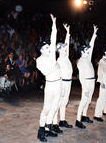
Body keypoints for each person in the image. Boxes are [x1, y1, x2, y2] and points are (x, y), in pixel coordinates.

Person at [36, 14, 61, 142]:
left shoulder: (52, 56)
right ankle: (41, 130)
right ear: (41, 50)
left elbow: (54, 37)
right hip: (50, 85)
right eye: (46, 48)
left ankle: (48, 128)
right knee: (46, 108)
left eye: (49, 47)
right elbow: (46, 72)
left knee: (55, 107)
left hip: (58, 84)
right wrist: (55, 65)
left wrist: (54, 24)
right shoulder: (39, 60)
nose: (49, 49)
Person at [75, 24, 98, 128]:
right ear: (82, 52)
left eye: (88, 51)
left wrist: (94, 33)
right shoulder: (80, 62)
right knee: (84, 100)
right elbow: (81, 77)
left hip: (92, 81)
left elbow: (92, 46)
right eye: (87, 51)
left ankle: (84, 116)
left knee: (88, 101)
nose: (89, 52)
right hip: (86, 83)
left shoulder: (88, 58)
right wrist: (85, 87)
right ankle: (78, 120)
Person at [52, 23, 73, 131]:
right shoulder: (59, 61)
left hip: (68, 82)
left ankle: (62, 121)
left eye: (66, 49)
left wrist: (68, 33)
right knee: (58, 103)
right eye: (64, 49)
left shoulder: (66, 57)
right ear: (59, 50)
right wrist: (61, 88)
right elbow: (57, 76)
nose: (66, 50)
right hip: (62, 83)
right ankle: (54, 124)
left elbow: (67, 44)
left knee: (64, 102)